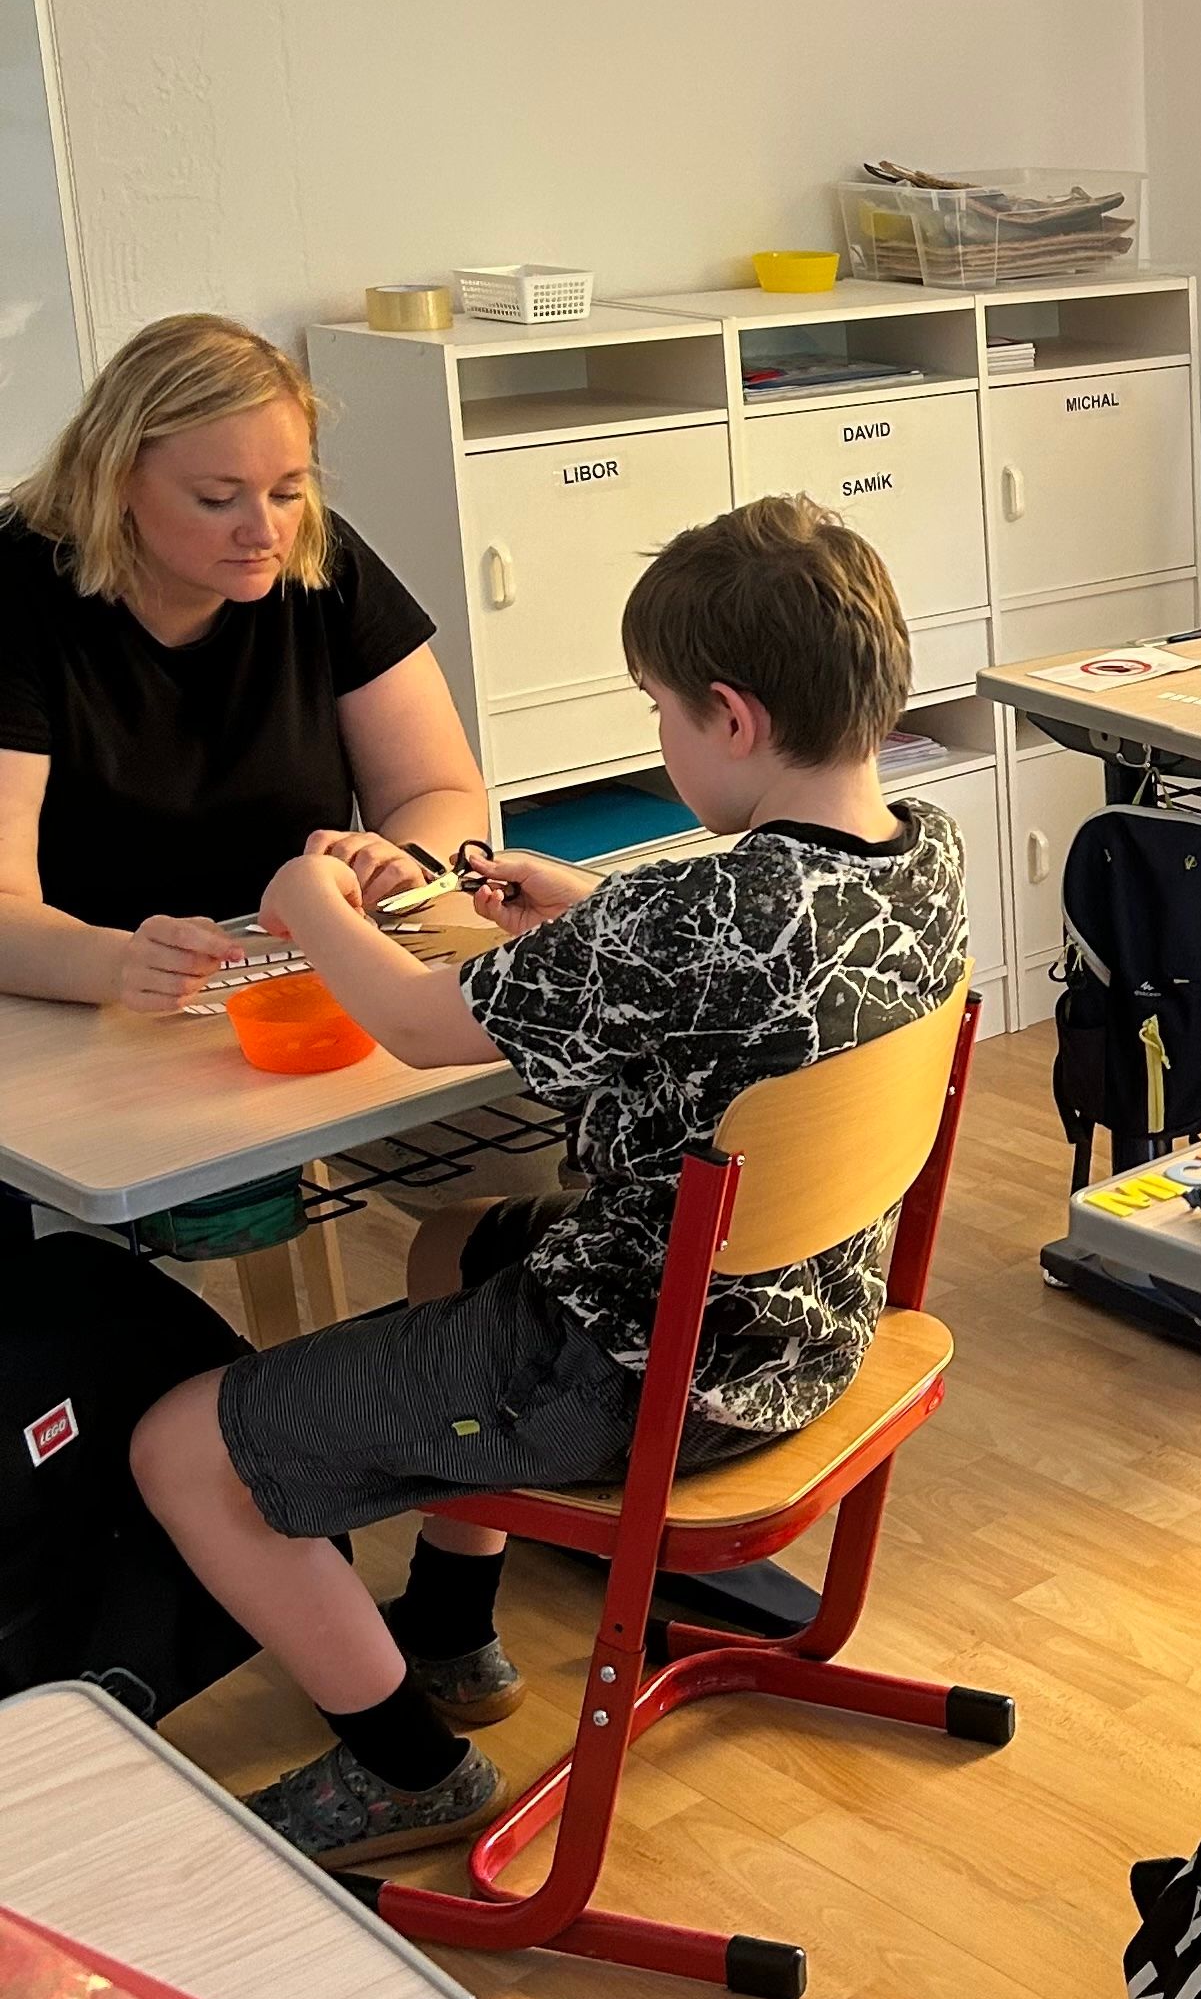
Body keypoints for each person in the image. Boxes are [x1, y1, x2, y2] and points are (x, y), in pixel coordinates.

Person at [127, 496, 968, 1866]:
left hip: (639, 1370)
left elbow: (416, 1024)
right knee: (454, 1243)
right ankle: (450, 1630)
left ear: (731, 718)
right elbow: (752, 975)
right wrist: (586, 914)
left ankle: (408, 1771)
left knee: (181, 1448)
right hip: (810, 1331)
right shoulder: (923, 857)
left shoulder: (686, 919)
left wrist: (310, 904)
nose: (663, 738)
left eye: (661, 712)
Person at [0, 314, 487, 1014]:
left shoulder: (321, 562)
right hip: (77, 1004)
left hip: (296, 973)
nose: (264, 532)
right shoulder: (16, 594)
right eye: (217, 499)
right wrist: (116, 965)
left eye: (288, 492)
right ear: (116, 481)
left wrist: (402, 860)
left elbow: (439, 790)